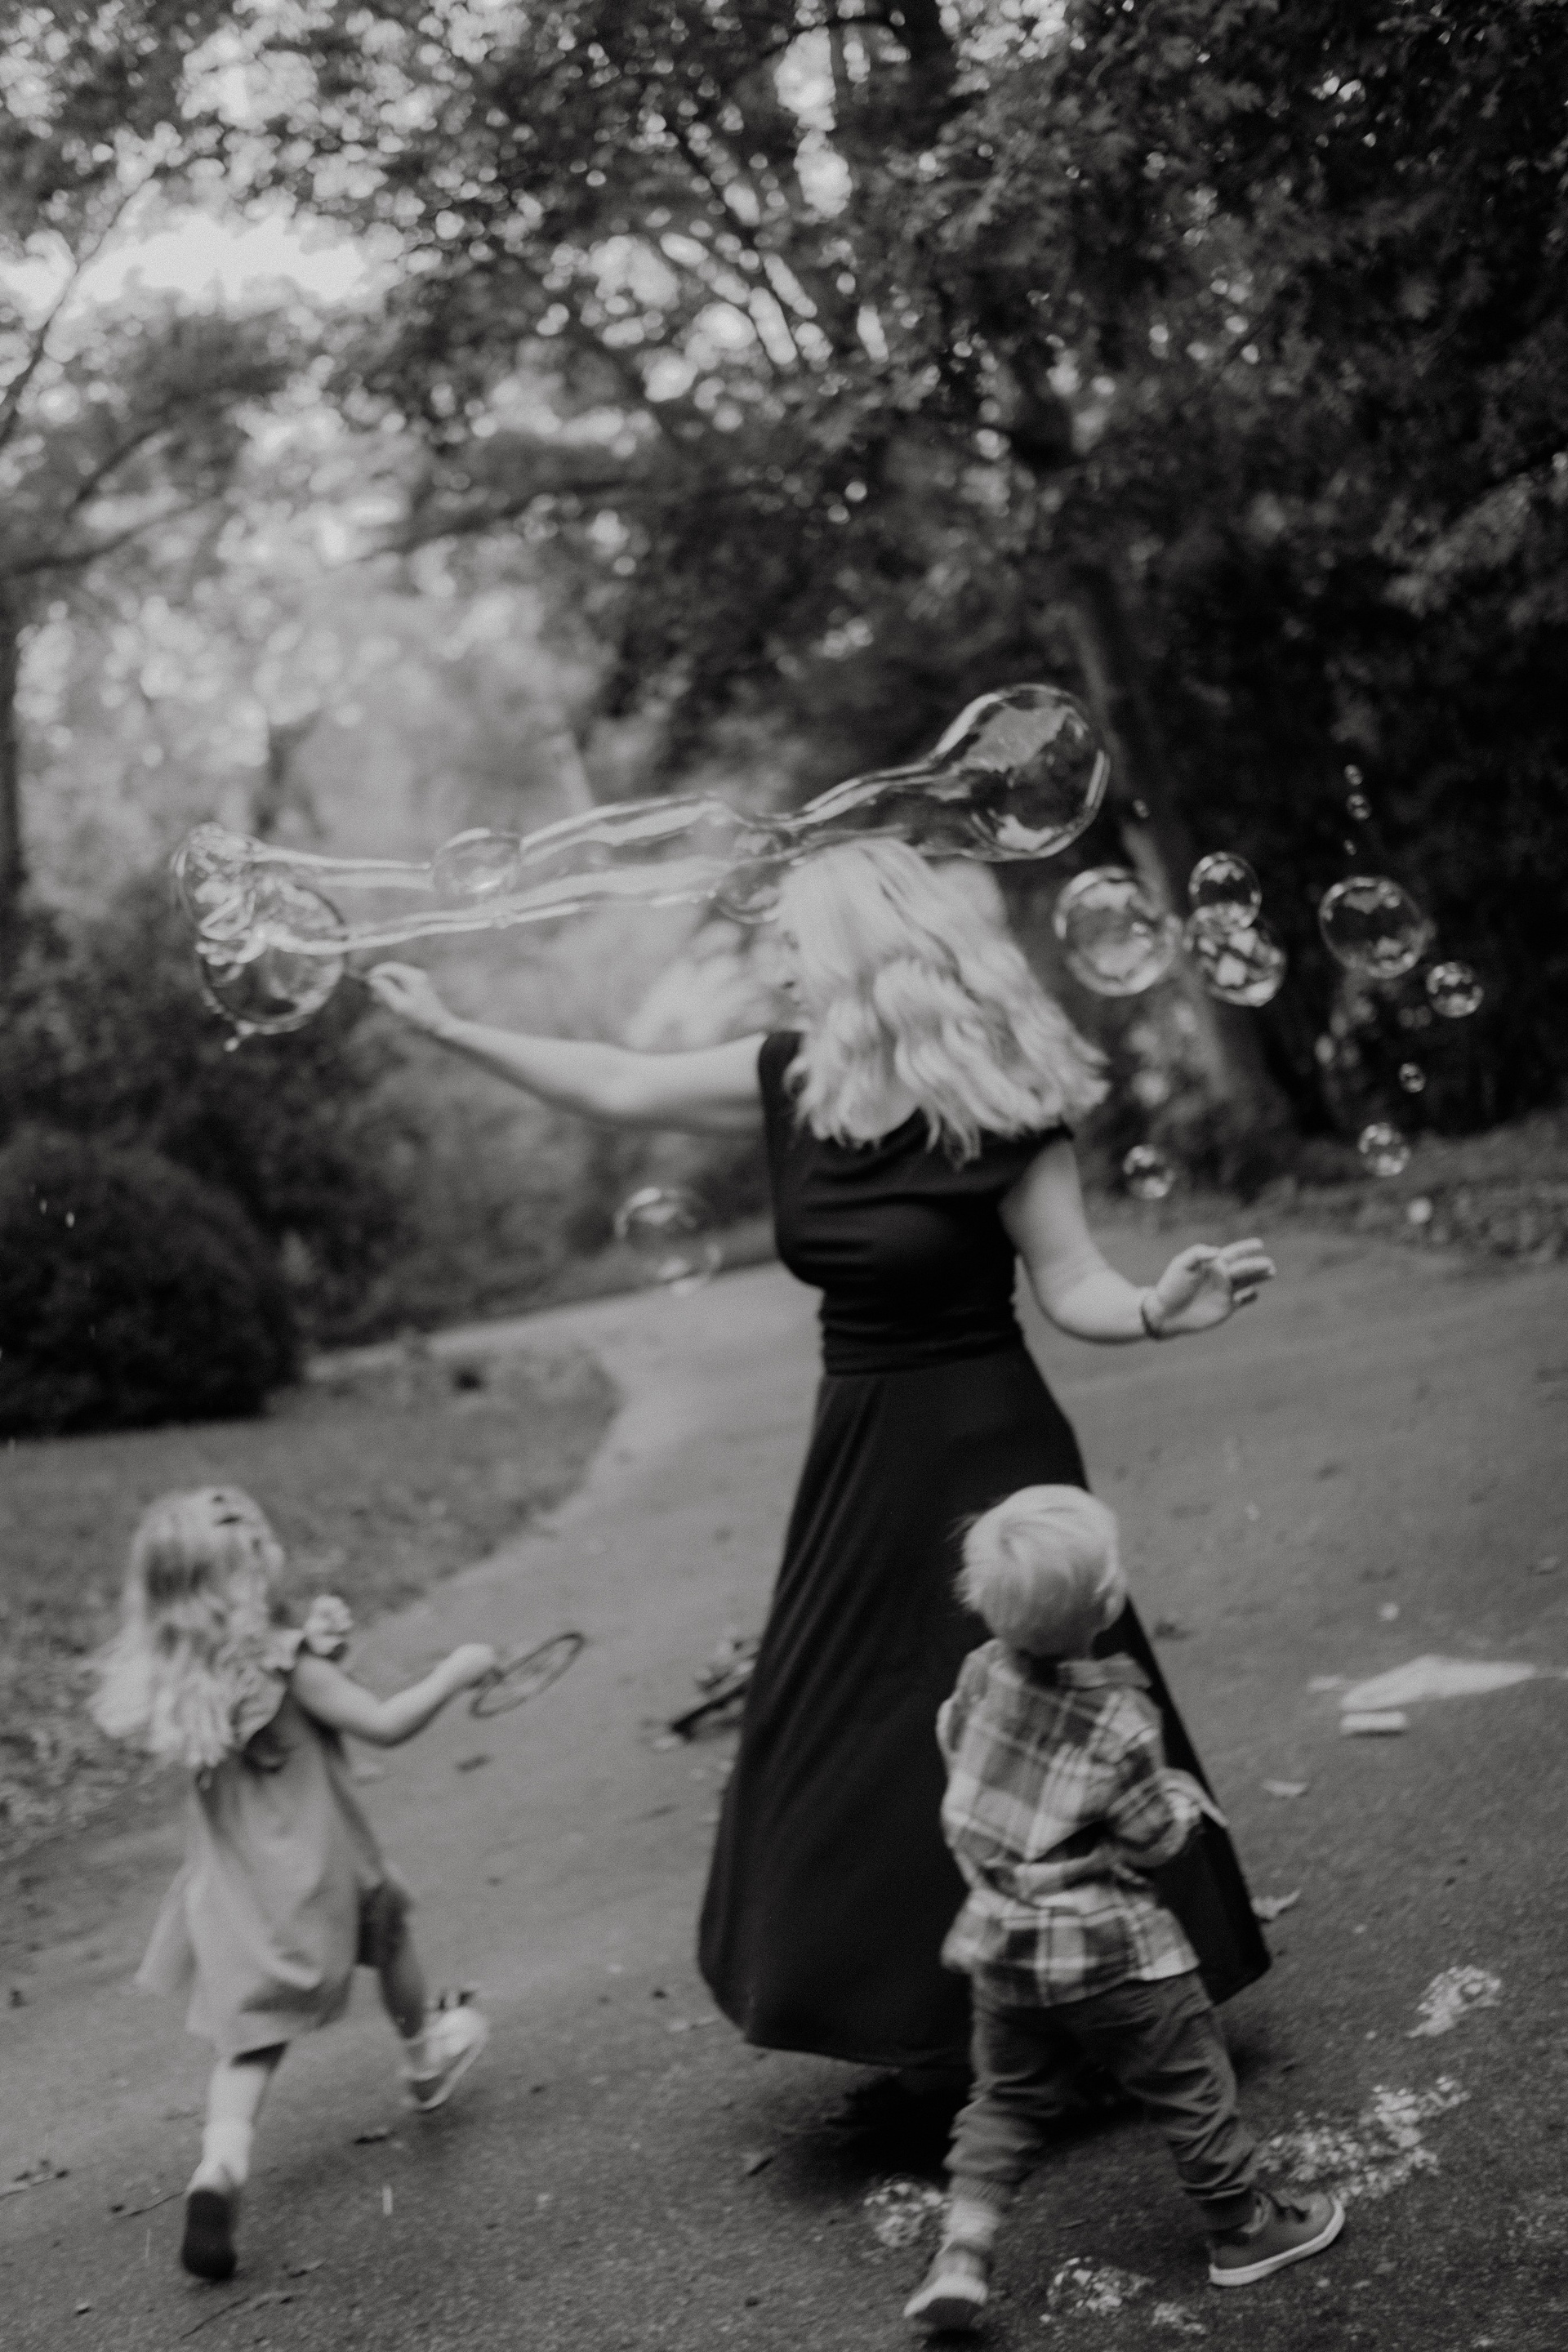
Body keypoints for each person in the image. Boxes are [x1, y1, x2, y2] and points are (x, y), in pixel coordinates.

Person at [366, 836, 1274, 2138]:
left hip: (991, 1455)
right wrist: (452, 1027)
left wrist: (1157, 1309)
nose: (780, 964)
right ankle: (929, 2018)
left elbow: (1073, 1284)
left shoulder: (1004, 1103)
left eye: (793, 940)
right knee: (859, 1722)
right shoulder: (793, 1078)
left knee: (1038, 1721)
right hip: (859, 1453)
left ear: (856, 947)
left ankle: (1110, 2009)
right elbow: (617, 1081)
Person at [903, 1486, 1342, 2334]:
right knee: (1188, 2080)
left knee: (1005, 2098)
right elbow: (1151, 1840)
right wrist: (1179, 1806)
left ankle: (962, 2252)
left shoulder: (980, 1672)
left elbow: (955, 1740)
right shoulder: (1120, 1719)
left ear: (979, 1599)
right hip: (1113, 1954)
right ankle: (1243, 2230)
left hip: (1005, 1943)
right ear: (1108, 1603)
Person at [91, 1488, 497, 2283]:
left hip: (237, 1898)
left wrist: (320, 1652)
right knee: (393, 1933)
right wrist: (457, 1671)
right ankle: (424, 2060)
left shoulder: (185, 1679)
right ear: (245, 1575)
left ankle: (219, 2167)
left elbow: (267, 1725)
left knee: (250, 2044)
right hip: (325, 1872)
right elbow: (383, 1723)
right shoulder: (286, 1664)